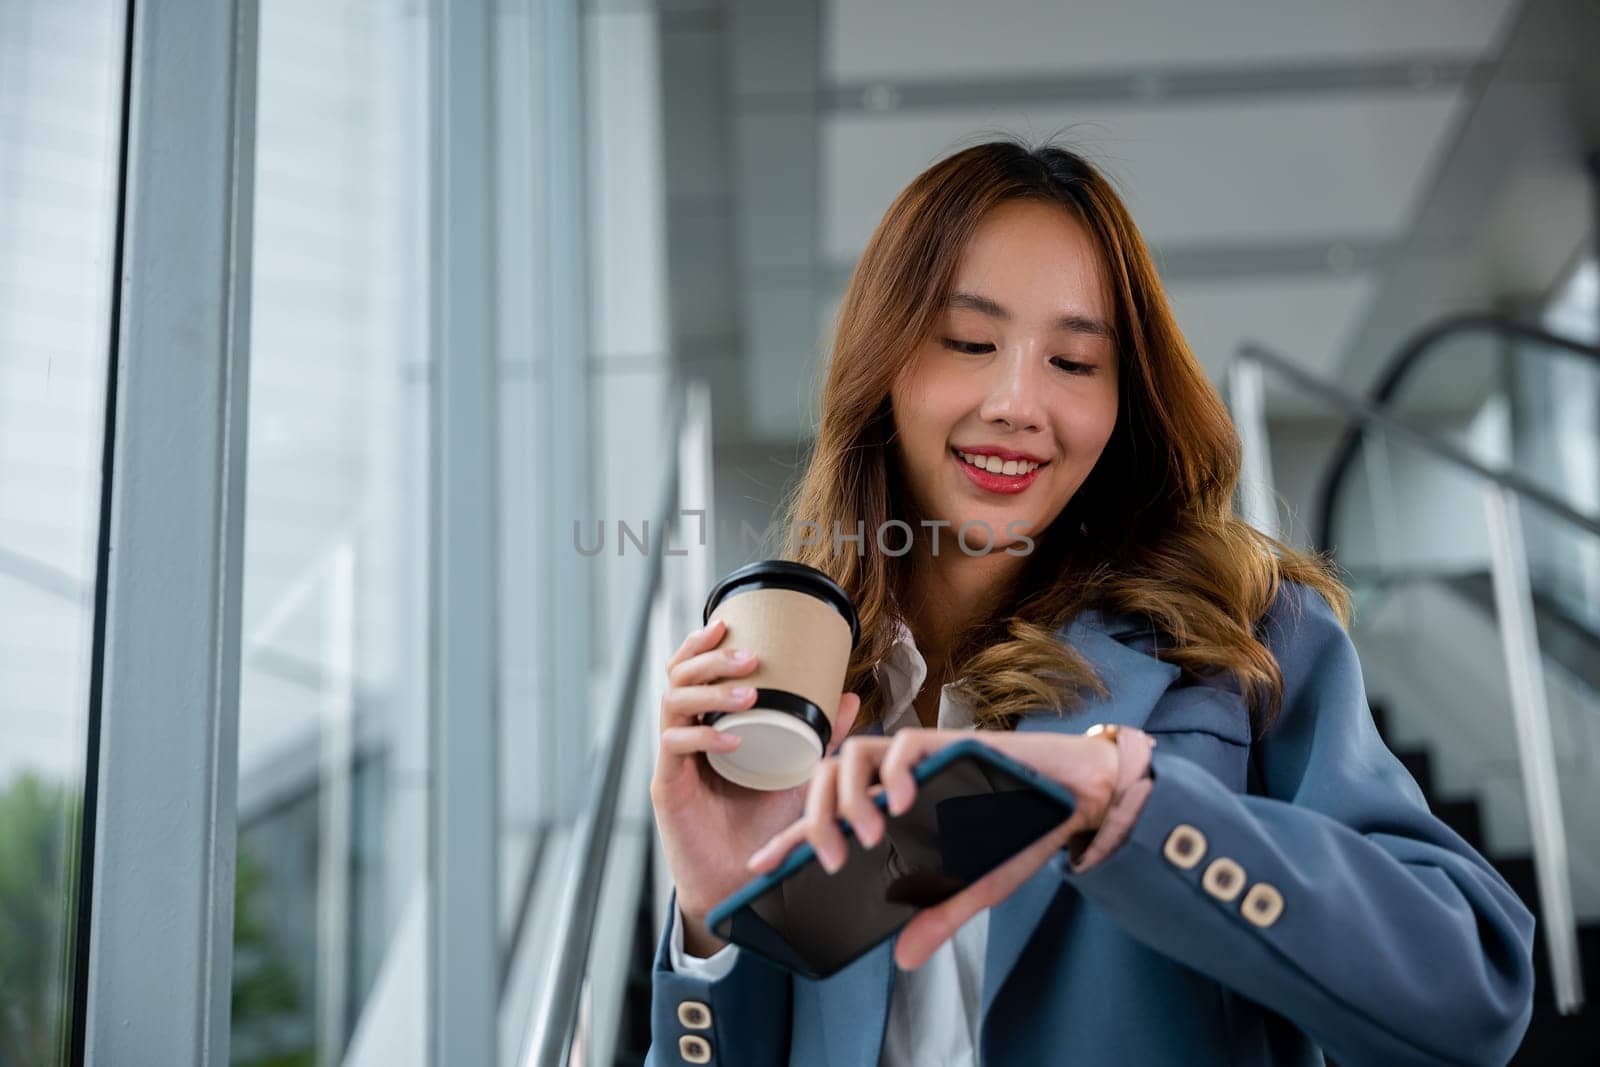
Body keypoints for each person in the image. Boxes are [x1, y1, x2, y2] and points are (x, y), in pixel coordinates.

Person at [645, 139, 1535, 1066]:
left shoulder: (1244, 637)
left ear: (1125, 397)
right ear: (886, 364)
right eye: (969, 343)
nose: (1020, 402)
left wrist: (1133, 806)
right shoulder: (804, 699)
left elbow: (1472, 989)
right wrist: (716, 922)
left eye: (1074, 361)